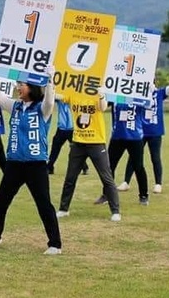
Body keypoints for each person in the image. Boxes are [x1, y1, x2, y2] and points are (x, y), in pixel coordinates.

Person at [0, 63, 62, 255]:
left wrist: (51, 80)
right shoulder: (15, 106)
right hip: (14, 164)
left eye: (21, 84)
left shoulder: (43, 109)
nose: (18, 87)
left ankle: (55, 244)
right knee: (1, 202)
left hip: (36, 165)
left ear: (32, 87)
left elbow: (50, 102)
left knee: (44, 205)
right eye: (17, 83)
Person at [56, 89, 121, 221]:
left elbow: (103, 107)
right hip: (78, 143)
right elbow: (56, 95)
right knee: (70, 178)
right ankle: (63, 209)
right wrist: (49, 82)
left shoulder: (97, 92)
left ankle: (115, 211)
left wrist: (101, 94)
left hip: (96, 142)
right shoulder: (73, 93)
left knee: (106, 177)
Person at [119, 67, 169, 193]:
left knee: (155, 157)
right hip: (140, 131)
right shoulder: (138, 95)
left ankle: (158, 183)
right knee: (134, 157)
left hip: (155, 131)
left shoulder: (159, 93)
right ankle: (126, 181)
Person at [94, 102, 150, 206]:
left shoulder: (137, 95)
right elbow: (103, 105)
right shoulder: (116, 96)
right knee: (109, 167)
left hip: (135, 137)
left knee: (138, 167)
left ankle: (143, 195)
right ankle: (107, 195)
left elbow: (149, 104)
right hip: (117, 136)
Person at [47, 100, 88, 177]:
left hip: (73, 129)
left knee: (77, 150)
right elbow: (52, 96)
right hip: (61, 128)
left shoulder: (76, 99)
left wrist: (83, 127)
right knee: (55, 148)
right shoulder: (60, 99)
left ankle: (84, 167)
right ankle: (49, 167)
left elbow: (84, 112)